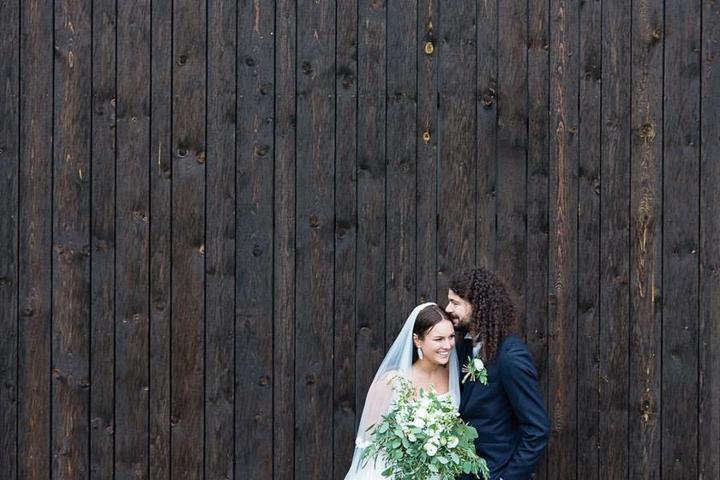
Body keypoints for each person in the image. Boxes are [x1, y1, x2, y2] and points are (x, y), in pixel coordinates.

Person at [446, 268, 550, 480]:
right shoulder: (463, 347)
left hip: (496, 471)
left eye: (455, 303)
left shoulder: (510, 356)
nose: (448, 309)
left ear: (477, 305)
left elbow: (537, 430)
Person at [344, 303, 460, 480]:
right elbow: (370, 444)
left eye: (451, 337)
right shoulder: (391, 382)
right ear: (417, 340)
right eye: (438, 339)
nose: (448, 345)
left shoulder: (452, 375)